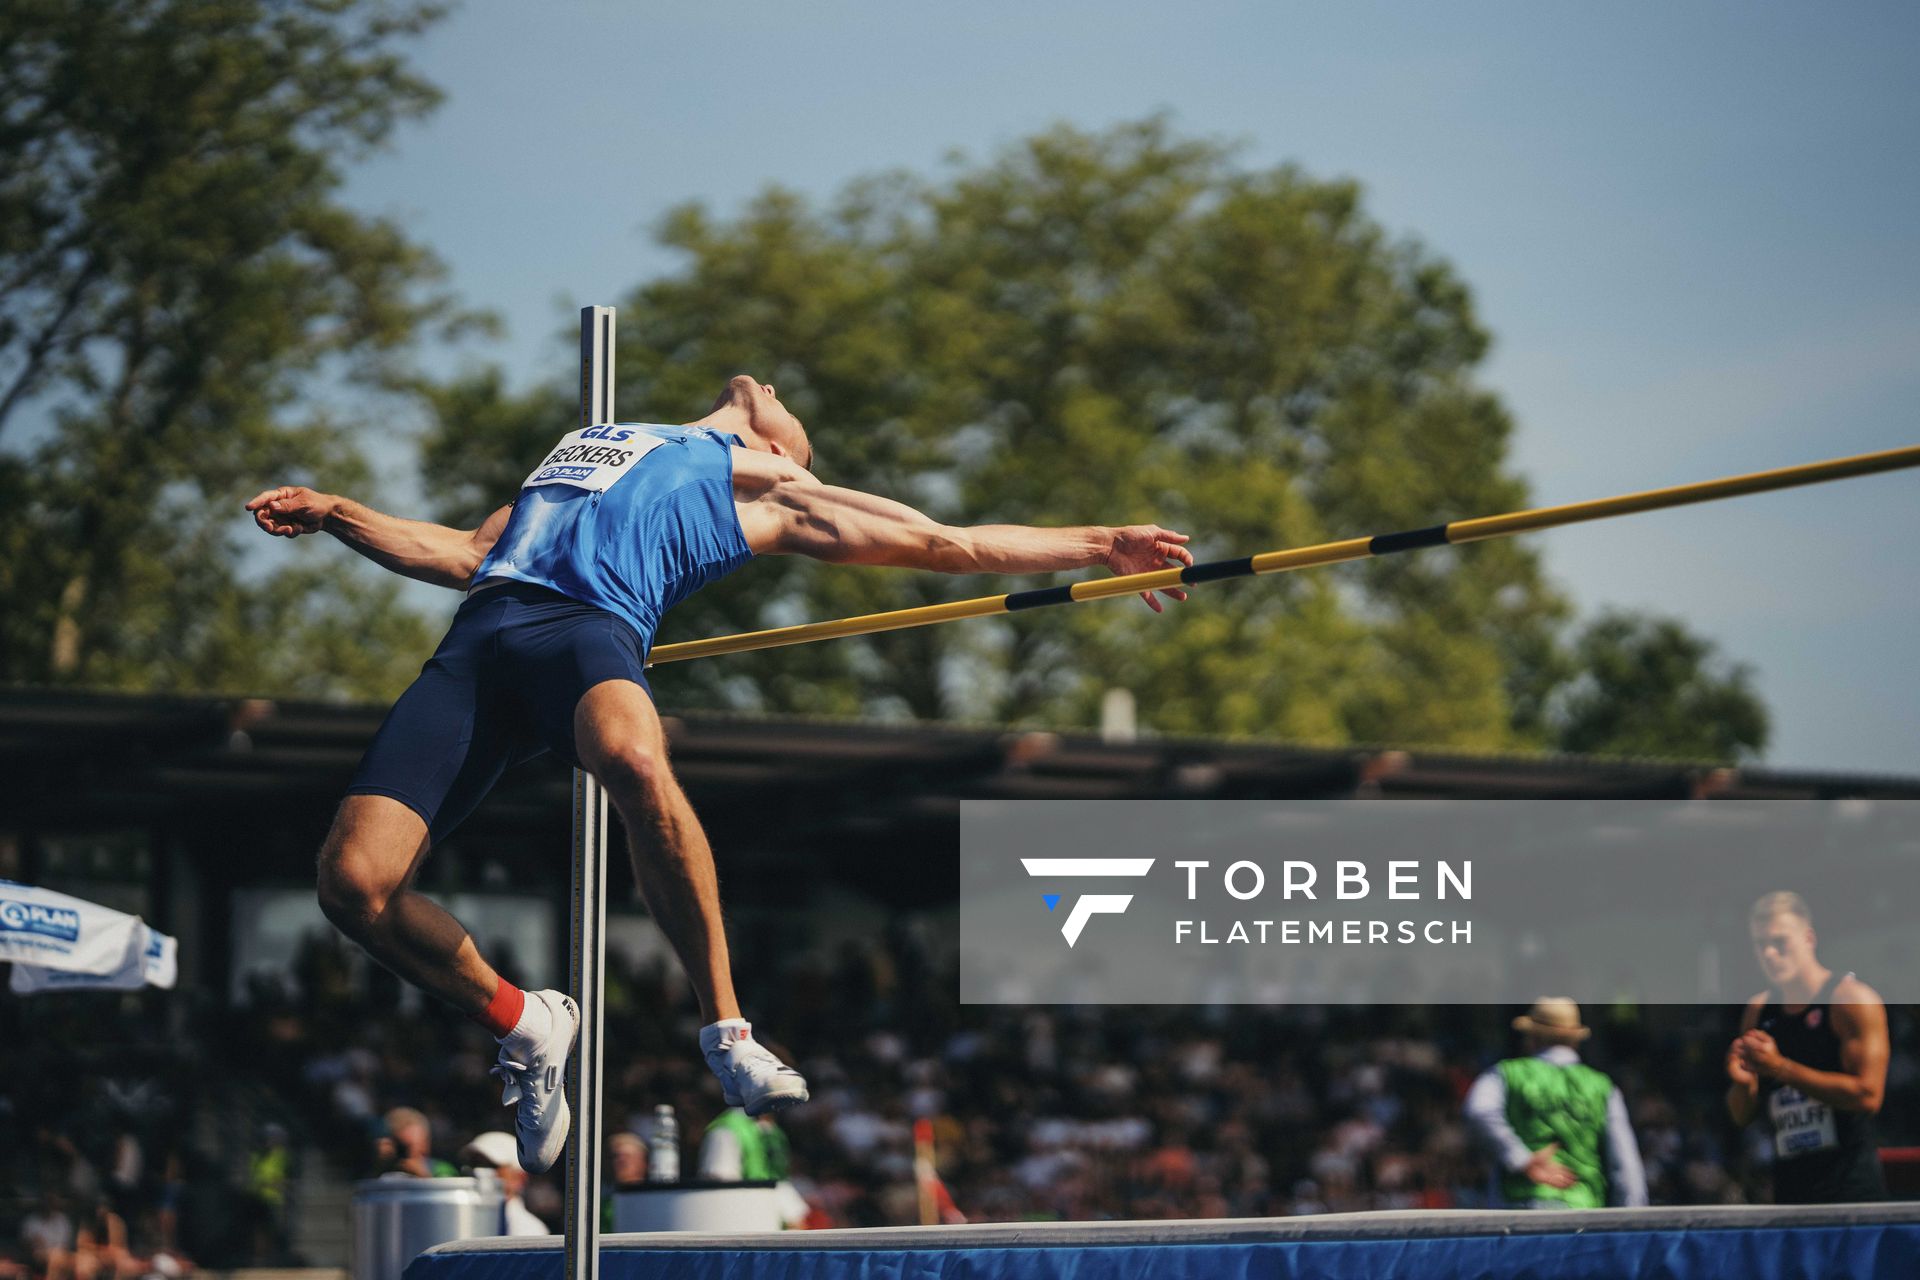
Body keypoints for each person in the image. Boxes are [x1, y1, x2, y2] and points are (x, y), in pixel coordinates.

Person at [248, 374, 1194, 1174]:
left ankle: (727, 1030)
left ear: (782, 447)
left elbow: (952, 544)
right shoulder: (593, 441)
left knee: (633, 758)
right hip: (481, 641)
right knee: (352, 885)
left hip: (586, 635)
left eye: (787, 412)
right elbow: (466, 552)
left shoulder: (774, 489)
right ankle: (524, 1021)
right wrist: (339, 513)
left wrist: (1099, 544)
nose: (770, 388)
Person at [1727, 890, 1889, 1203]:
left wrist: (1781, 1068)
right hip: (1789, 1198)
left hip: (1851, 1196)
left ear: (1808, 938)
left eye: (1780, 942)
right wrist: (1742, 1084)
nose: (1770, 953)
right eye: (1761, 944)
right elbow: (1741, 1115)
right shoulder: (1758, 1011)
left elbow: (1868, 1095)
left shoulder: (1850, 1000)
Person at [1463, 997, 1648, 1208]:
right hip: (1583, 1209)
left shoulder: (1506, 1074)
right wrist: (1633, 1218)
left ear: (1532, 1038)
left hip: (1520, 1209)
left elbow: (1478, 1111)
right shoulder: (1603, 1088)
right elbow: (1626, 1166)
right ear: (1575, 1041)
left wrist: (1521, 1159)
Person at [458, 1133, 549, 1237]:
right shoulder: (457, 1217)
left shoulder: (531, 1230)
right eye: (473, 1164)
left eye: (491, 1166)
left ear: (520, 1177)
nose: (477, 1172)